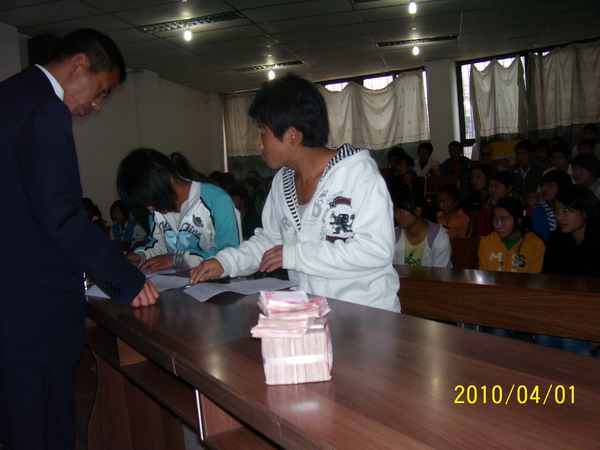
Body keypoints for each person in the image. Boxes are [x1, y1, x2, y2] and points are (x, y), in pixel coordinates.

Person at [0, 28, 158, 450]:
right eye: (101, 90)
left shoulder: (8, 97)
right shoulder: (45, 109)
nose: (96, 105)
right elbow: (62, 215)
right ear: (79, 63)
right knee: (44, 432)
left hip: (9, 311)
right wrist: (127, 280)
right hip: (33, 314)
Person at [189, 74, 400, 312]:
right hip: (313, 313)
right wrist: (225, 262)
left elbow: (375, 251)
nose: (258, 144)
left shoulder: (357, 175)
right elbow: (271, 242)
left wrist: (295, 256)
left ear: (292, 134)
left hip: (368, 315)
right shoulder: (283, 182)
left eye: (263, 133)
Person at [117, 148, 242, 274]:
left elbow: (231, 253)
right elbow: (160, 246)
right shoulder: (157, 208)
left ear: (168, 179)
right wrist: (141, 257)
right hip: (177, 280)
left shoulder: (216, 200)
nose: (149, 208)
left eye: (150, 200)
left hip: (216, 281)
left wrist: (178, 260)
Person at [537, 185, 600, 355]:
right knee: (545, 334)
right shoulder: (557, 239)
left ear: (585, 212)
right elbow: (547, 280)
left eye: (567, 211)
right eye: (557, 211)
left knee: (571, 338)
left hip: (592, 312)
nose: (560, 217)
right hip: (563, 310)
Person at [478, 196, 545, 273]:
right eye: (494, 219)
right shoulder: (487, 243)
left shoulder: (535, 245)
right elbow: (484, 275)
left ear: (518, 220)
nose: (498, 225)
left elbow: (534, 277)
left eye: (503, 220)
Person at [392, 189, 452, 267]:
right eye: (395, 210)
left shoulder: (439, 237)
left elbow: (440, 272)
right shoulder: (394, 236)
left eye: (402, 210)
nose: (396, 216)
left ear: (417, 211)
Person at [531, 170, 573, 241]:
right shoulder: (539, 211)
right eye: (543, 185)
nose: (544, 189)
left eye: (551, 185)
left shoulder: (573, 210)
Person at [462, 163, 494, 237]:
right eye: (472, 177)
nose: (474, 180)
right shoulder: (470, 199)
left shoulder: (494, 196)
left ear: (487, 177)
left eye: (478, 177)